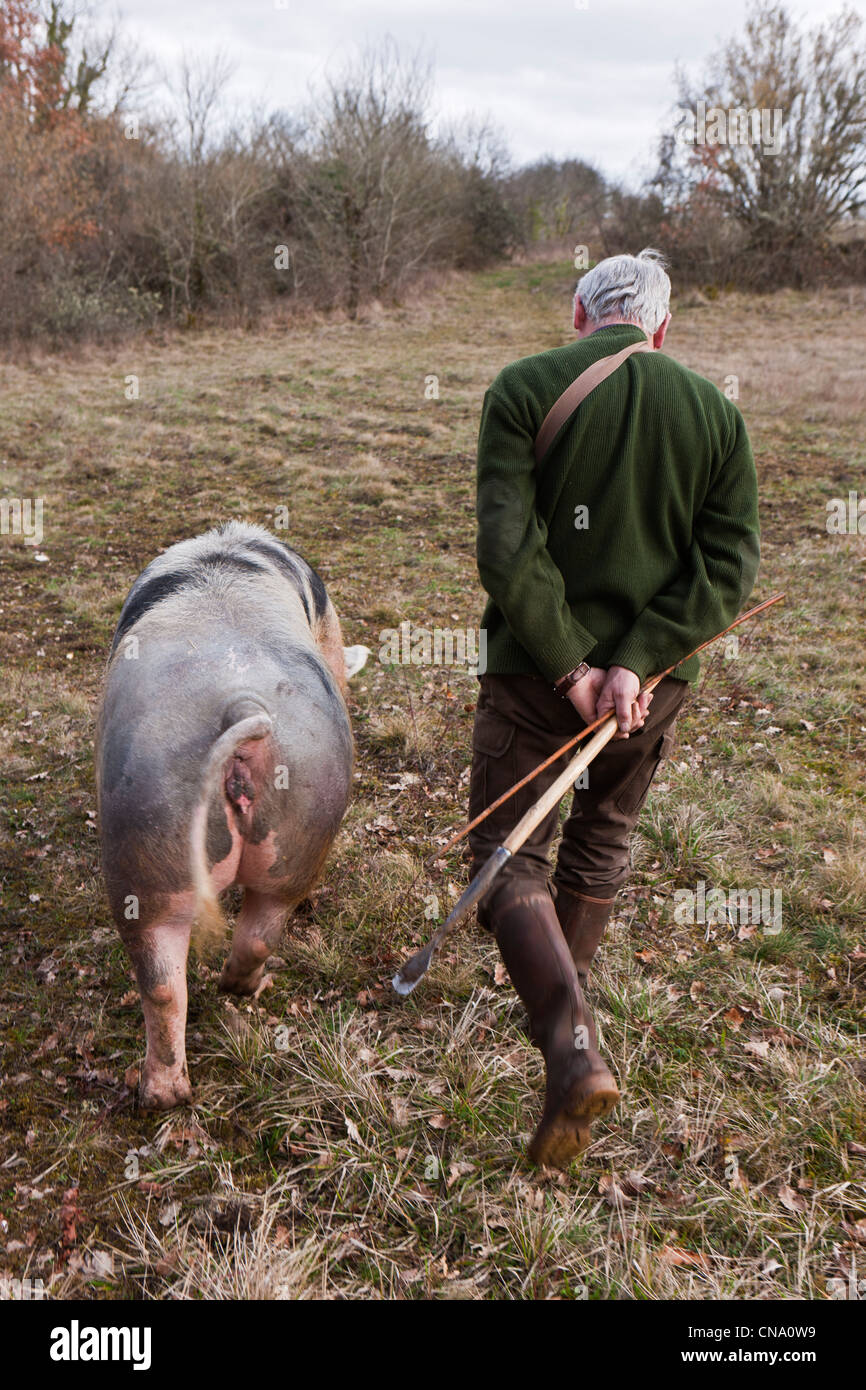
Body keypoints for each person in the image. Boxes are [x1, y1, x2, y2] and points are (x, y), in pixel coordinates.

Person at [470, 248, 760, 1168]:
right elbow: (726, 569)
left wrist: (570, 668)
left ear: (578, 313)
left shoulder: (521, 389)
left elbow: (508, 550)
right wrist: (635, 666)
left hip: (533, 676)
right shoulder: (717, 414)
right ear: (662, 327)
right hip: (654, 692)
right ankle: (572, 1012)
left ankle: (569, 1046)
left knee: (504, 853)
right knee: (602, 835)